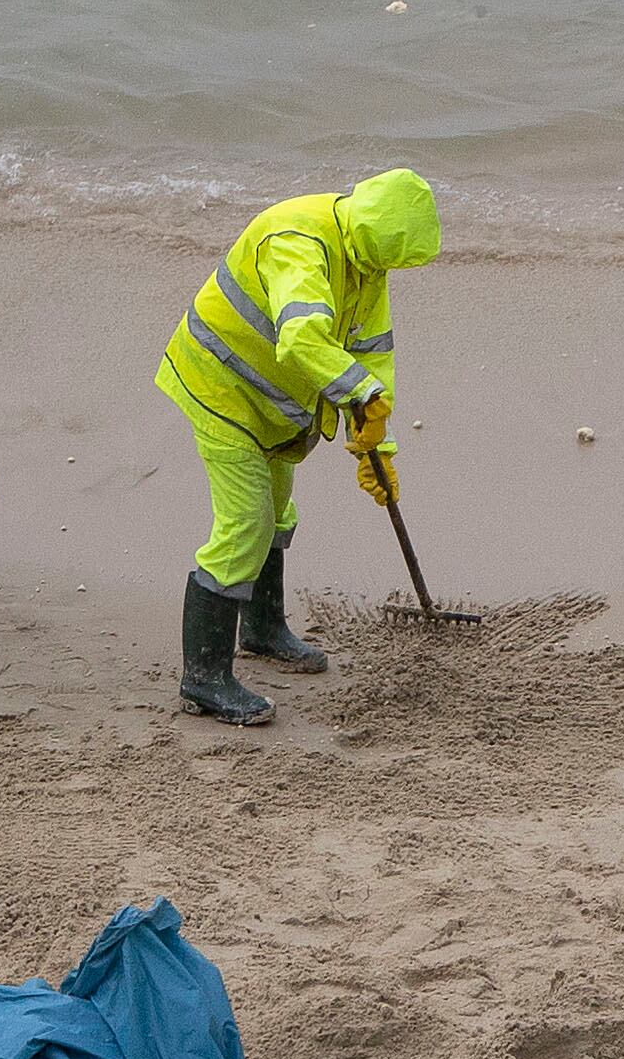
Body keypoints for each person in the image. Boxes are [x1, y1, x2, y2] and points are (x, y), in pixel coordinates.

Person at [154, 169, 441, 724]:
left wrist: (376, 442)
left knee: (279, 509)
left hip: (275, 405)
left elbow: (371, 351)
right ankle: (204, 678)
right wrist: (356, 390)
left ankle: (262, 629)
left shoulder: (364, 258)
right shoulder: (297, 241)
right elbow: (302, 335)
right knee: (246, 523)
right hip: (221, 387)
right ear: (367, 230)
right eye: (383, 261)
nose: (384, 273)